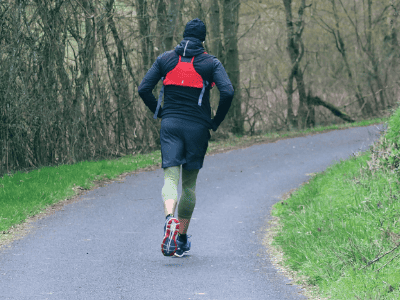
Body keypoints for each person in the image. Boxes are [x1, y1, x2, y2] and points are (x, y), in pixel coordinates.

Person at [138, 18, 234, 257]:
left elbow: (143, 88)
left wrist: (159, 112)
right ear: (203, 39)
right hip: (197, 128)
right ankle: (180, 238)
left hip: (170, 124)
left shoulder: (166, 59)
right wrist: (215, 121)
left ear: (183, 36)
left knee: (170, 177)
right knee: (189, 185)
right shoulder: (211, 62)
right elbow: (228, 91)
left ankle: (169, 219)